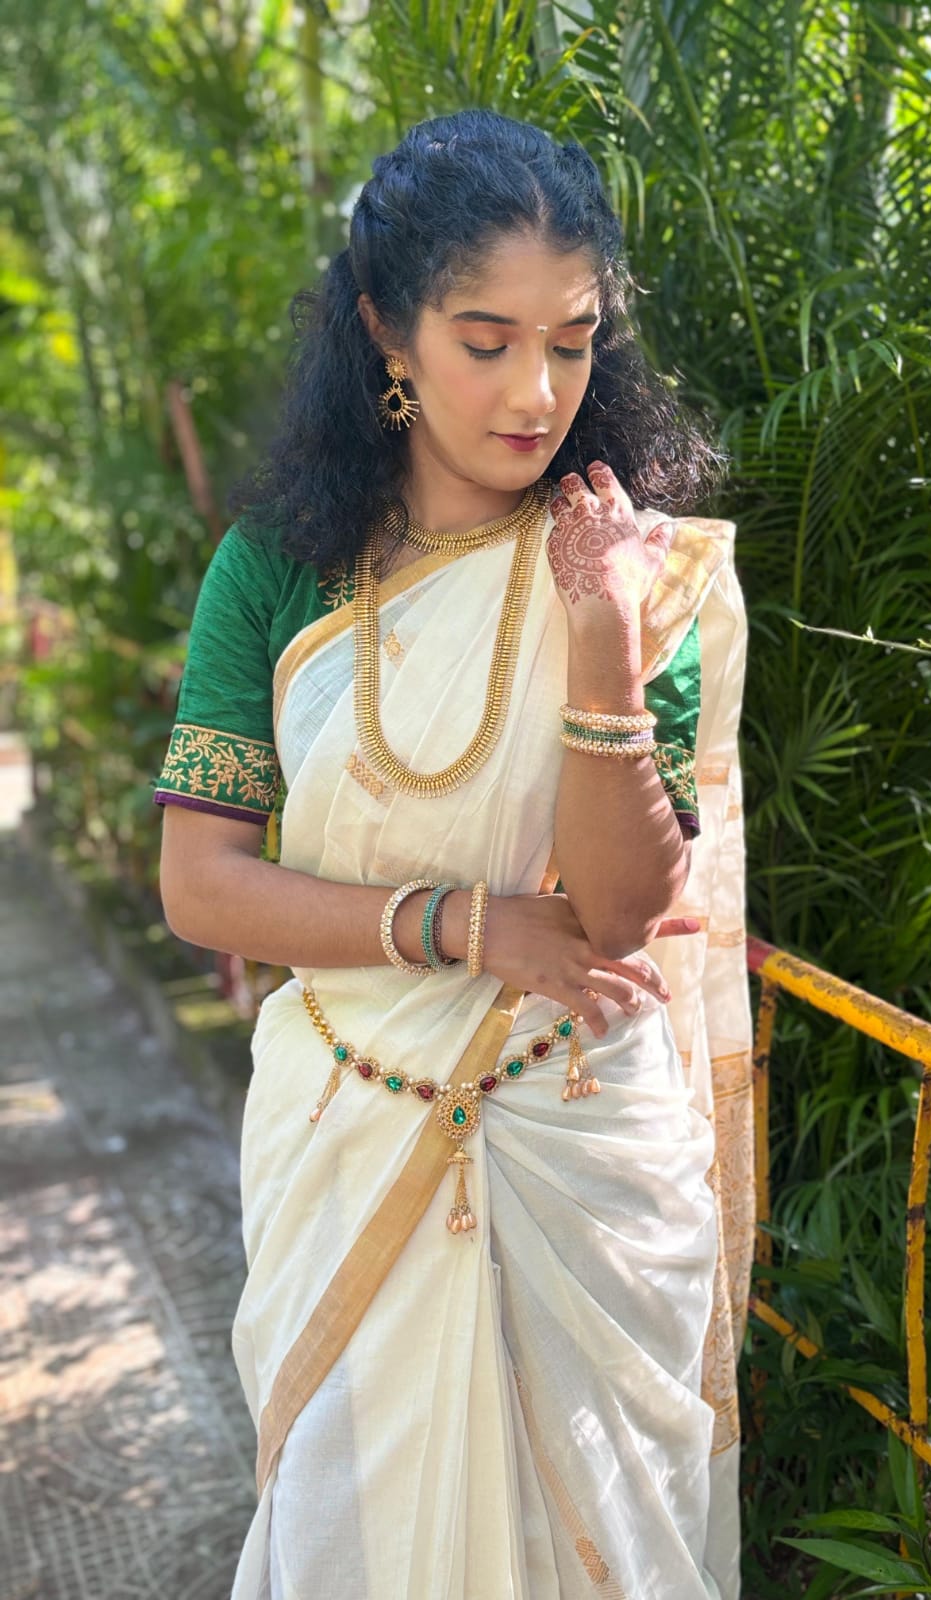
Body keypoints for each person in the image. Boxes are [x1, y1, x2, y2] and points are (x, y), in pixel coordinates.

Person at [153, 107, 753, 1600]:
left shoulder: (636, 568)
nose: (537, 391)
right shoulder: (278, 568)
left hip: (581, 1144)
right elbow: (200, 883)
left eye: (573, 341)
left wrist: (602, 638)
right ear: (387, 332)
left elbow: (621, 910)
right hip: (348, 1121)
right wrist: (466, 925)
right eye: (487, 342)